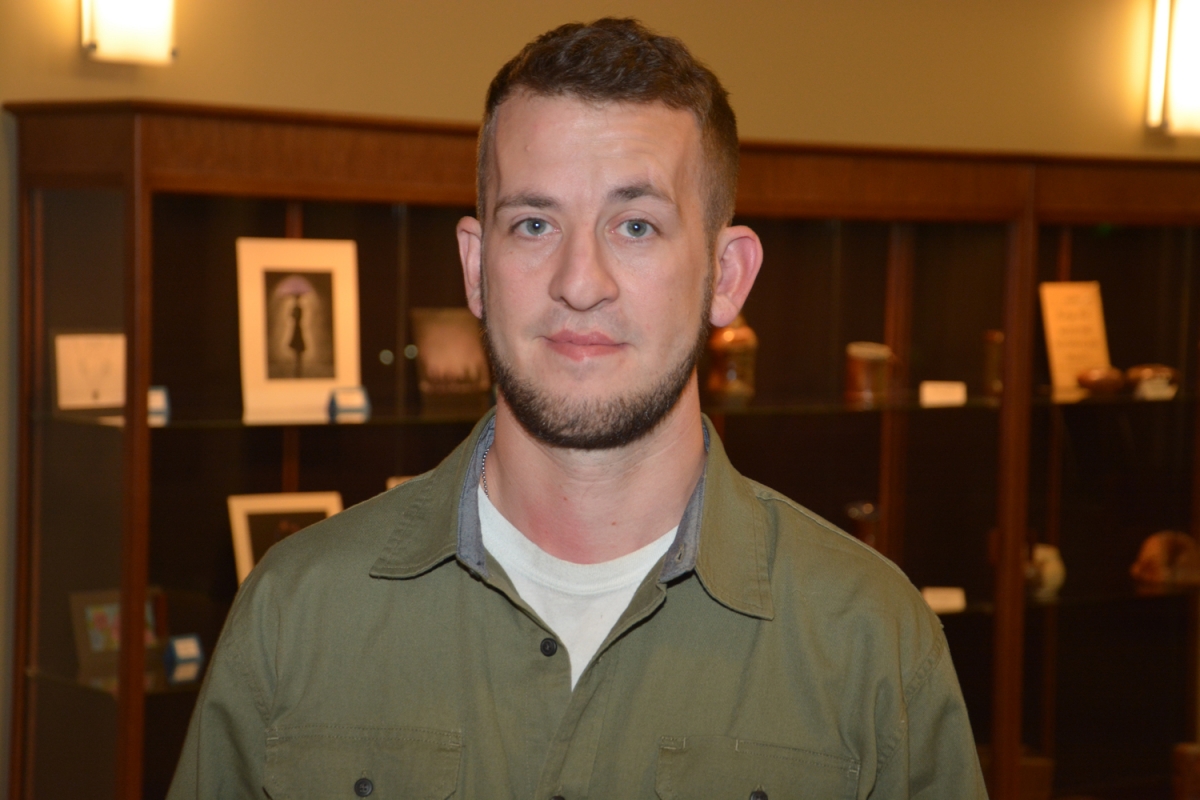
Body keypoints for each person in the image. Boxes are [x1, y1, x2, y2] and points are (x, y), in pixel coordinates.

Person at [168, 18, 987, 799]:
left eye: (635, 225)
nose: (580, 281)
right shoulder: (297, 611)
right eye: (533, 223)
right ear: (475, 266)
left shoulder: (872, 641)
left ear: (727, 277)